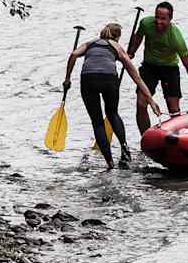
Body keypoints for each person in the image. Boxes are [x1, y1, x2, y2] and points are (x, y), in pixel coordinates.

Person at [63, 22, 159, 169]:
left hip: (88, 79)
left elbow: (74, 54)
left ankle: (109, 163)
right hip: (109, 79)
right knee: (112, 113)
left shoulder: (90, 43)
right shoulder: (116, 47)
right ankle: (124, 148)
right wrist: (150, 100)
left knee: (97, 122)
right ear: (117, 37)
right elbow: (136, 77)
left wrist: (68, 78)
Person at [125, 1, 188, 133]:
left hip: (169, 69)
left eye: (163, 19)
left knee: (173, 109)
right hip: (149, 67)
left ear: (170, 19)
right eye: (157, 17)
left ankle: (176, 138)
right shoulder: (145, 23)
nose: (158, 22)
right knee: (140, 103)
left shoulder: (176, 38)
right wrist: (131, 52)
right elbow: (138, 37)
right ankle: (145, 138)